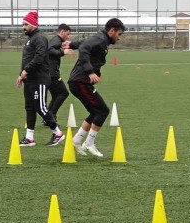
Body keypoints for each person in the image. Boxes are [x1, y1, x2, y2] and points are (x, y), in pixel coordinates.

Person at [66, 18, 125, 157]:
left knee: (95, 112)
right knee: (102, 111)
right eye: (119, 34)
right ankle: (89, 143)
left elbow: (84, 43)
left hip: (80, 82)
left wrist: (71, 44)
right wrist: (90, 72)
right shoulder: (101, 39)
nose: (119, 38)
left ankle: (76, 140)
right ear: (112, 31)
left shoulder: (101, 38)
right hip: (80, 82)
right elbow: (84, 49)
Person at [16, 11, 65, 147]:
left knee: (41, 107)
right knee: (30, 108)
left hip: (39, 79)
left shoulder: (39, 38)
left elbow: (40, 56)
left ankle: (57, 133)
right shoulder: (30, 39)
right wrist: (21, 74)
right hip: (29, 80)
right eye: (23, 24)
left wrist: (26, 70)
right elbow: (27, 59)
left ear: (33, 24)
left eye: (26, 24)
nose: (23, 27)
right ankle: (29, 138)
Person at [47, 24, 74, 117]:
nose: (68, 36)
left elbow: (52, 49)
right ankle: (52, 116)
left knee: (56, 95)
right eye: (68, 34)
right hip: (52, 73)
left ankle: (48, 118)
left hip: (50, 72)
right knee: (64, 93)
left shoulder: (57, 40)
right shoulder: (56, 39)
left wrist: (62, 46)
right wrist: (63, 52)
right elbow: (49, 50)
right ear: (62, 32)